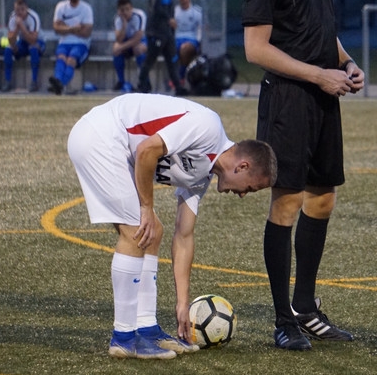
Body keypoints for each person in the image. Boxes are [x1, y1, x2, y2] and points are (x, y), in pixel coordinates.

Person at [242, 0, 365, 351]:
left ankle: (307, 309)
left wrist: (347, 61)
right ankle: (282, 320)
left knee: (323, 198)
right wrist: (318, 75)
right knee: (287, 203)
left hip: (323, 98)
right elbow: (255, 48)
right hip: (288, 102)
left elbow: (321, 31)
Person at [67, 94, 277, 359]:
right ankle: (123, 338)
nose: (244, 194)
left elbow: (184, 235)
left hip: (112, 144)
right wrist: (145, 208)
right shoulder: (208, 127)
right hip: (101, 135)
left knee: (154, 232)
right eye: (250, 187)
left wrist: (182, 303)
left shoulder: (201, 176)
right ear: (242, 166)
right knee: (138, 232)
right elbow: (146, 150)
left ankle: (147, 329)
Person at [137, 0, 185, 94]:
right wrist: (168, 19)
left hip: (167, 33)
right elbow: (155, 7)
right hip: (156, 32)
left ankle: (178, 88)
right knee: (150, 59)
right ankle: (141, 84)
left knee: (172, 61)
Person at [48, 0, 94, 95]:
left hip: (81, 43)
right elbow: (56, 28)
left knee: (71, 59)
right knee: (61, 57)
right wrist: (74, 28)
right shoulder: (61, 7)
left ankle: (59, 84)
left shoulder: (86, 8)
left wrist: (65, 28)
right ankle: (58, 82)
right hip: (64, 43)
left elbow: (87, 32)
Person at [1, 0, 46, 92]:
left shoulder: (33, 17)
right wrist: (17, 28)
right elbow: (11, 40)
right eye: (17, 10)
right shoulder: (13, 17)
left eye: (22, 10)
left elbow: (33, 40)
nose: (20, 12)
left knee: (33, 49)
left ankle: (34, 82)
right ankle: (7, 81)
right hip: (23, 42)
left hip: (38, 42)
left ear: (26, 9)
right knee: (8, 50)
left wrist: (22, 26)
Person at [112, 0, 148, 91]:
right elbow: (119, 39)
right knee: (116, 49)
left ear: (132, 8)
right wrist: (124, 24)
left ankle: (144, 81)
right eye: (122, 10)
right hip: (127, 41)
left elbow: (138, 38)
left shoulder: (139, 16)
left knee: (138, 49)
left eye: (128, 9)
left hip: (143, 41)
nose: (126, 13)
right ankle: (121, 81)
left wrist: (121, 47)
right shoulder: (117, 18)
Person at [174, 0, 203, 81]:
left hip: (191, 40)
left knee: (184, 49)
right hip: (176, 40)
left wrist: (199, 42)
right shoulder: (174, 12)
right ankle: (172, 78)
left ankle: (180, 77)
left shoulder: (197, 12)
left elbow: (202, 29)